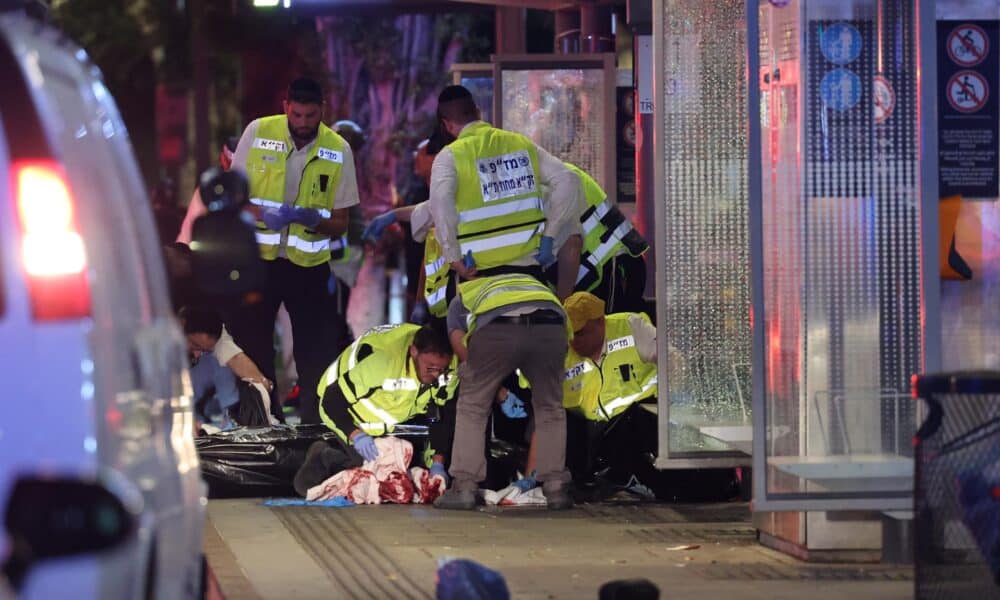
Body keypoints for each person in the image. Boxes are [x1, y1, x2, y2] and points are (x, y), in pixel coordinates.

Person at [227, 76, 360, 425]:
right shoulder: (258, 132)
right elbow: (232, 199)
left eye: (310, 116)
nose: (302, 123)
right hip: (259, 262)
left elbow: (342, 222)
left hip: (309, 265)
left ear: (323, 111)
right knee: (253, 344)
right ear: (286, 107)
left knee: (316, 352)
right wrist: (261, 214)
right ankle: (260, 423)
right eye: (297, 115)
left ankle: (315, 429)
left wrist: (307, 217)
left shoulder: (338, 149)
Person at [427, 85, 581, 297]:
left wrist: (455, 259)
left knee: (453, 322)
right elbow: (568, 180)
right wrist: (550, 236)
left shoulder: (449, 157)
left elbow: (441, 205)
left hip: (479, 275)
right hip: (530, 271)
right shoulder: (520, 144)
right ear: (478, 112)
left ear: (447, 125)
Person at [435, 273, 572, 510]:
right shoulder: (532, 283)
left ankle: (465, 487)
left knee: (473, 406)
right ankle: (555, 487)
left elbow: (460, 344)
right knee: (550, 407)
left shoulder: (464, 296)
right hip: (551, 326)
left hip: (498, 328)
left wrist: (483, 382)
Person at [305, 324, 456, 486]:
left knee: (401, 479)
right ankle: (324, 456)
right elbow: (331, 401)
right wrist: (356, 435)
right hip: (346, 409)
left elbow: (443, 415)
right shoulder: (385, 361)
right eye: (430, 368)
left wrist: (438, 463)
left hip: (391, 417)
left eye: (440, 369)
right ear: (414, 352)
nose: (435, 374)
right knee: (370, 479)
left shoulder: (450, 368)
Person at [557, 163, 649, 314]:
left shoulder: (553, 183)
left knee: (613, 332)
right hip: (609, 267)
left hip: (612, 267)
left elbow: (571, 245)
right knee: (622, 329)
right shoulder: (556, 175)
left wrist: (560, 308)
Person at [180, 306, 272, 427]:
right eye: (194, 344)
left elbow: (236, 358)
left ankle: (229, 420)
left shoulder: (215, 338)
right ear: (180, 324)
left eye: (202, 349)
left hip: (196, 402)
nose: (197, 354)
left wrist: (262, 385)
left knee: (221, 363)